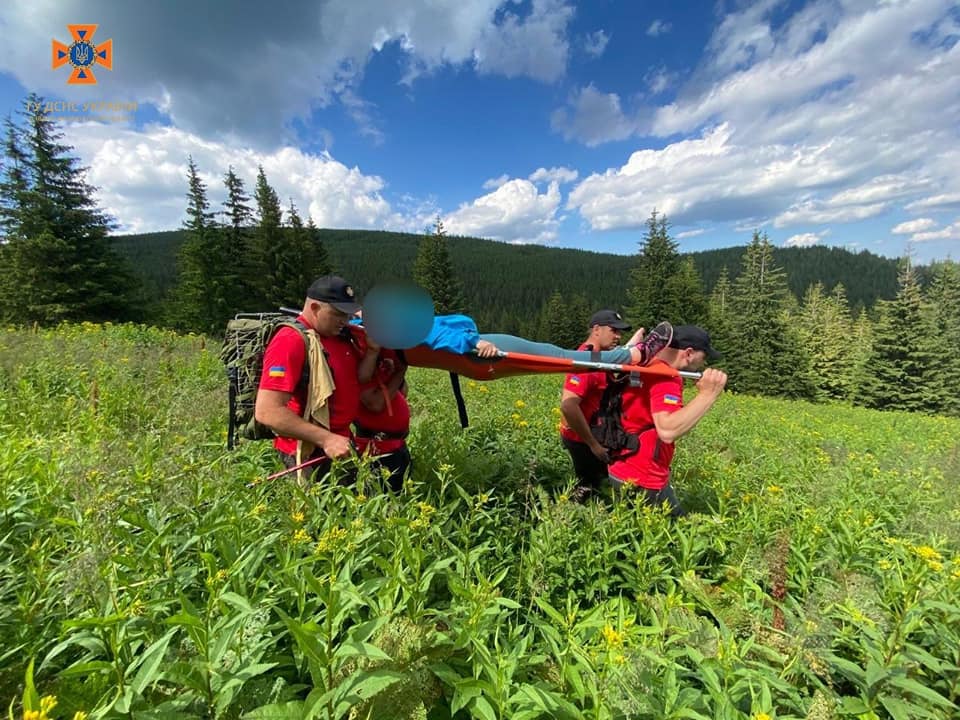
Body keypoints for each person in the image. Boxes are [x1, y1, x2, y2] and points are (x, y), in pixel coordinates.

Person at [254, 275, 379, 482]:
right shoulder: (290, 341)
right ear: (314, 308)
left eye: (348, 315)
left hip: (341, 446)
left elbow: (356, 380)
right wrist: (326, 439)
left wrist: (373, 353)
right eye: (338, 314)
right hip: (305, 453)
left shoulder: (339, 336)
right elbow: (267, 412)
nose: (345, 321)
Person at [607, 325, 727, 517]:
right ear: (689, 353)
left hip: (620, 465)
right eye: (703, 357)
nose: (704, 363)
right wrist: (708, 395)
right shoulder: (666, 376)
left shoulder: (645, 363)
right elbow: (668, 430)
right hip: (645, 477)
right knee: (679, 534)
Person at [559, 310, 673, 502]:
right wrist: (593, 445)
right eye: (614, 331)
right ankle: (571, 518)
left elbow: (613, 365)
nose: (618, 336)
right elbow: (568, 406)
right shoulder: (584, 359)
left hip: (592, 434)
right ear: (596, 329)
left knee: (599, 483)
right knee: (589, 485)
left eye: (620, 332)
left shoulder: (599, 357)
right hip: (581, 439)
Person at [354, 348, 411, 492]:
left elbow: (402, 392)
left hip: (397, 445)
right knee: (380, 497)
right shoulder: (359, 370)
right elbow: (375, 404)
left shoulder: (381, 367)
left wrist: (395, 371)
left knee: (397, 496)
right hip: (376, 448)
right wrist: (400, 372)